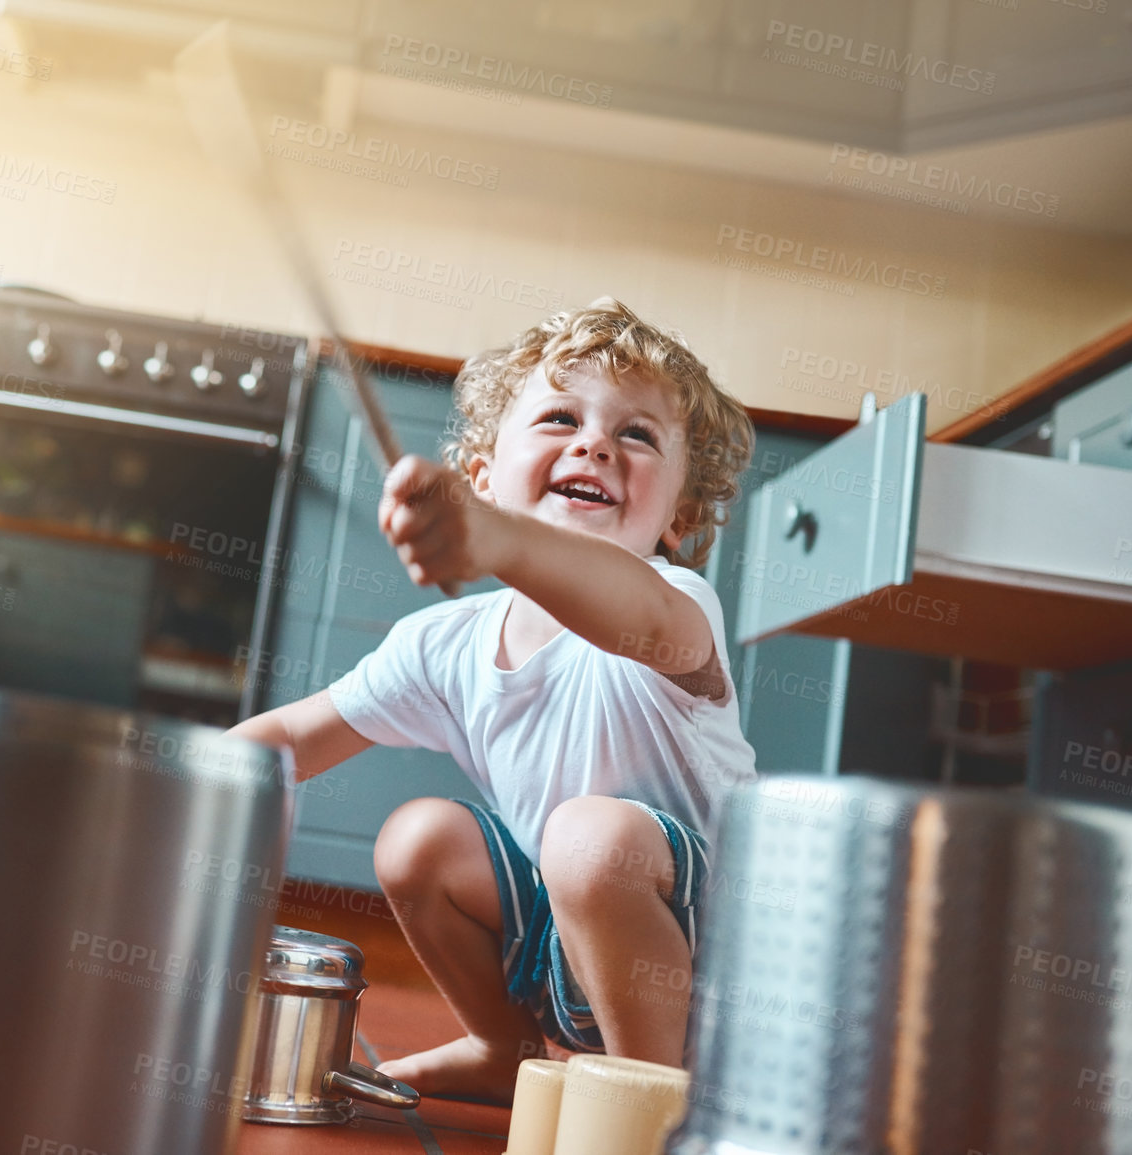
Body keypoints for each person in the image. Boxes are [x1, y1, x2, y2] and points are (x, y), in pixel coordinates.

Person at [226, 298, 758, 1104]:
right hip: (572, 953)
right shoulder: (446, 643)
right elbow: (292, 738)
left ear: (677, 519)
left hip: (716, 978)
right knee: (419, 840)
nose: (593, 444)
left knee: (587, 837)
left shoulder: (675, 601)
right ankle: (502, 1050)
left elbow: (640, 615)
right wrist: (163, 791)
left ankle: (653, 1097)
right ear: (481, 475)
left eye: (636, 434)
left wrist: (496, 539)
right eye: (558, 418)